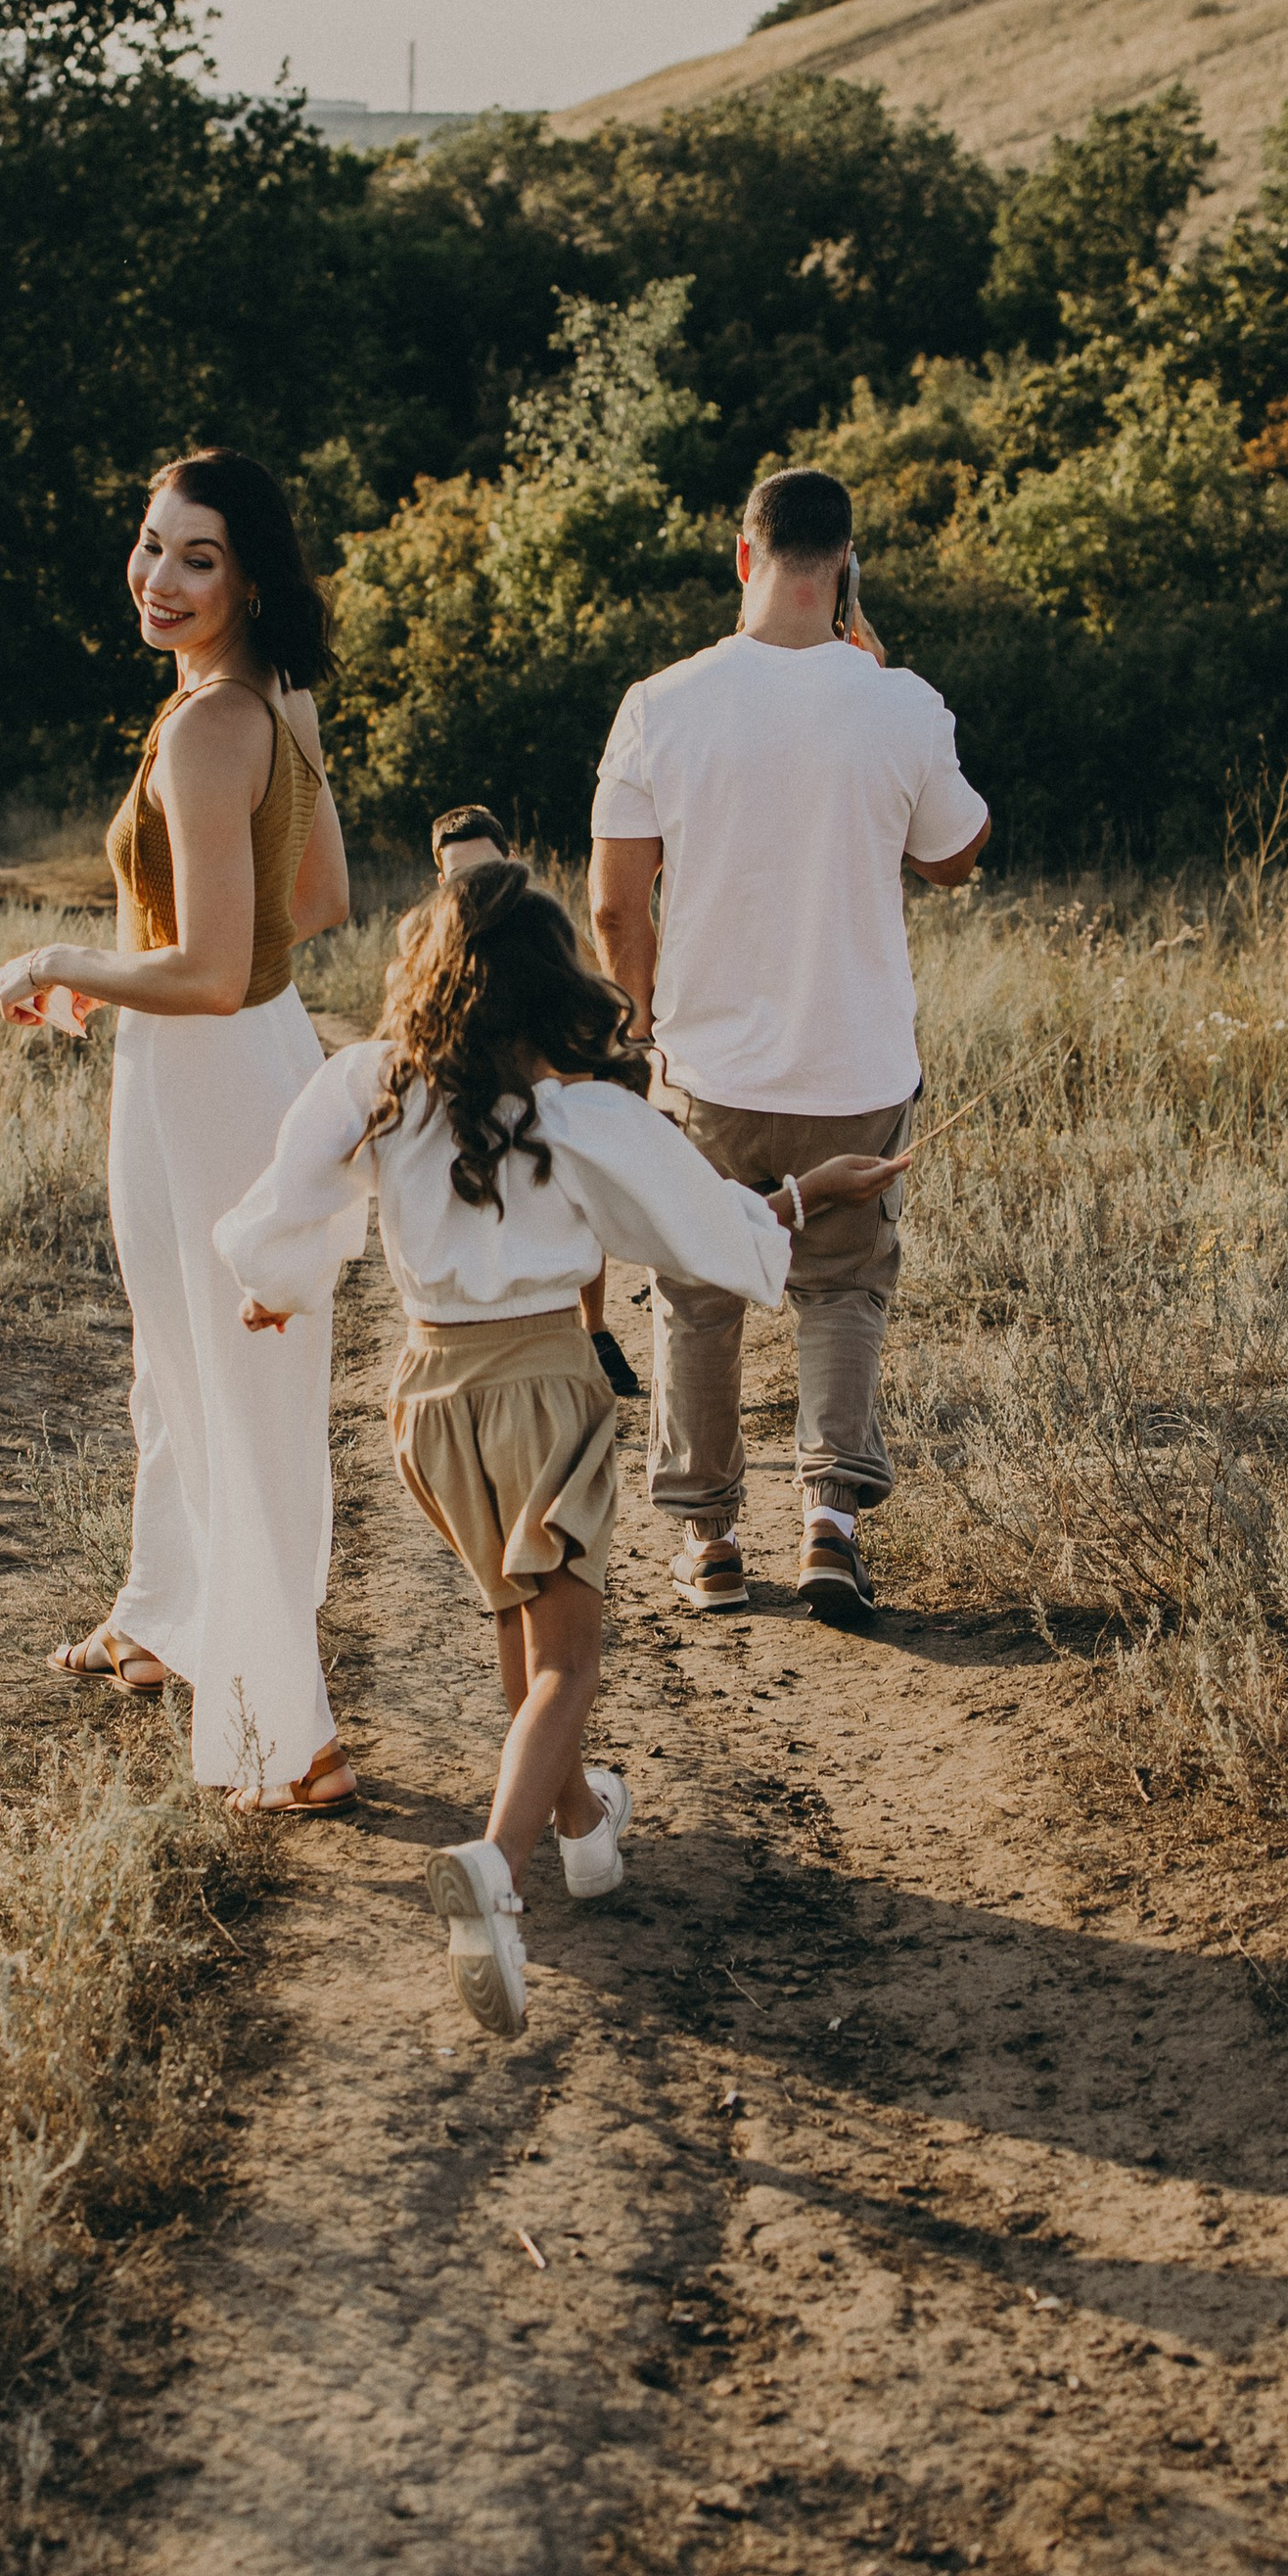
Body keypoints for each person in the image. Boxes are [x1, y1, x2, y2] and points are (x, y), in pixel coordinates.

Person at [214, 866, 903, 2037]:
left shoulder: (373, 1088)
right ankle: (494, 1869)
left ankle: (583, 1825)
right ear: (545, 989)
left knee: (516, 1620)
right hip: (539, 1385)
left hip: (427, 1401)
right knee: (565, 1665)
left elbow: (285, 1204)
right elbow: (695, 1223)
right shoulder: (581, 1118)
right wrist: (801, 1196)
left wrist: (272, 1290)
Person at [0, 450, 355, 1806]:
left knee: (236, 1397)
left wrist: (62, 965)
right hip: (235, 1057)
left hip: (209, 1074)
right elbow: (310, 903)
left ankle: (288, 1734)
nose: (158, 578)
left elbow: (208, 962)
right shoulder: (270, 697)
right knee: (182, 1368)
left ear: (252, 576)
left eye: (197, 557)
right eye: (151, 545)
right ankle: (166, 1619)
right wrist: (149, 978)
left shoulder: (211, 730)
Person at [588, 463, 989, 1635]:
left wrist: (645, 1029)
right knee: (841, 1287)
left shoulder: (659, 701)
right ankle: (829, 1524)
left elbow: (617, 906)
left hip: (707, 1067)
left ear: (741, 554)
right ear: (846, 565)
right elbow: (954, 856)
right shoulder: (901, 702)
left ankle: (709, 1543)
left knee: (700, 1291)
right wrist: (880, 683)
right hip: (856, 1063)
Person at [429, 803, 642, 1405]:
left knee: (571, 1182)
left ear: (514, 864)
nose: (482, 886)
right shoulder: (434, 950)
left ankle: (593, 1329)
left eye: (491, 868)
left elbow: (585, 1001)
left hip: (546, 1079)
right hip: (472, 1094)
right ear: (442, 882)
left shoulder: (545, 929)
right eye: (464, 875)